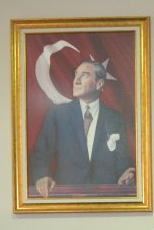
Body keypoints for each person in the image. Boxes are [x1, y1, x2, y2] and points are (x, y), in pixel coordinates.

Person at [29, 59, 135, 197]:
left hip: (104, 198)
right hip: (66, 197)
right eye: (76, 74)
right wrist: (42, 176)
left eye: (84, 75)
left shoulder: (116, 119)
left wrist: (127, 173)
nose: (76, 80)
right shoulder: (57, 114)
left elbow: (123, 160)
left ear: (99, 83)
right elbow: (40, 154)